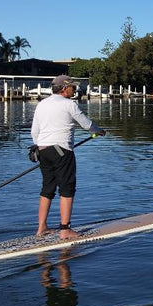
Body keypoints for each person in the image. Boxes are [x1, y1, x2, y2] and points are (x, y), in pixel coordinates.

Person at [31, 75, 106, 239]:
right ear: (64, 88)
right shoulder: (69, 104)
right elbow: (87, 125)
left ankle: (41, 227)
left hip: (42, 150)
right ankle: (65, 230)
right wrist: (99, 131)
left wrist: (44, 146)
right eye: (72, 87)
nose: (75, 89)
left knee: (47, 187)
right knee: (67, 187)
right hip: (62, 151)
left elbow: (34, 133)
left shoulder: (42, 104)